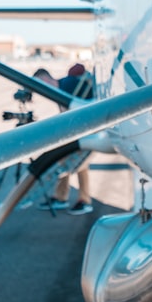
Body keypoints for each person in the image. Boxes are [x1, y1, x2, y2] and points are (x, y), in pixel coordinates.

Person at [33, 63, 95, 215]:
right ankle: (61, 197)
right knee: (64, 159)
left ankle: (84, 201)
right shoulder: (63, 86)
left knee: (79, 164)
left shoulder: (68, 85)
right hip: (77, 131)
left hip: (87, 129)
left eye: (40, 85)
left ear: (45, 80)